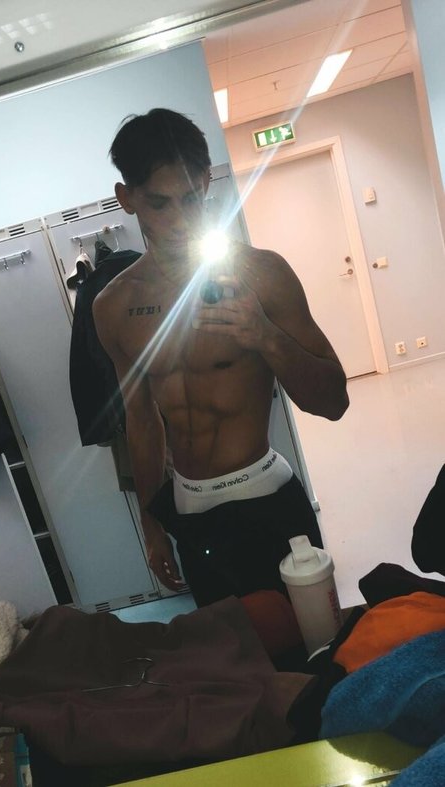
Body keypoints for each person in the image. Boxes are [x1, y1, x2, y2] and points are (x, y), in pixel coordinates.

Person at [93, 108, 349, 607]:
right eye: (159, 203)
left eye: (192, 199)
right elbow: (142, 422)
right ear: (127, 199)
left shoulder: (262, 275)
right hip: (190, 513)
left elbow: (334, 402)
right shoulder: (114, 307)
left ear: (208, 182)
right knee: (232, 651)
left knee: (314, 643)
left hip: (269, 498)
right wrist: (151, 524)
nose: (180, 222)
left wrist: (265, 336)